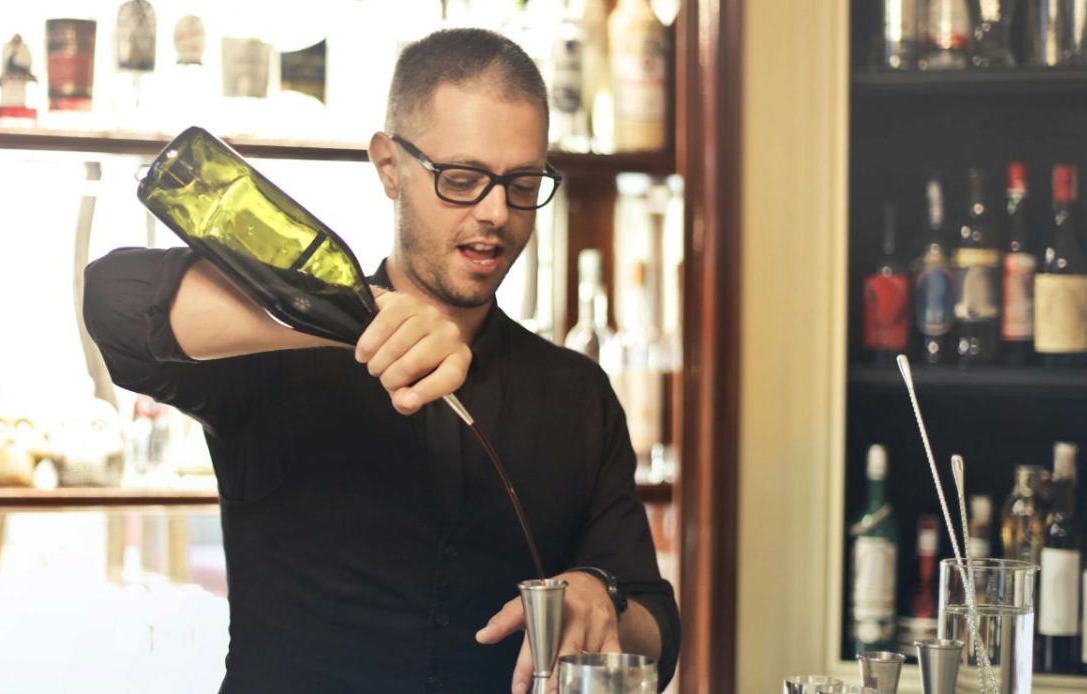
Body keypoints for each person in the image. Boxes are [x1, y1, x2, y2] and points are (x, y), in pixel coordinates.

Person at [84, 28, 679, 693]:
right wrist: (344, 320)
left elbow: (657, 623)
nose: (496, 214)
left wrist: (601, 599)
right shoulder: (270, 359)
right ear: (389, 167)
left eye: (523, 183)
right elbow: (114, 302)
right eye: (461, 179)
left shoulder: (576, 393)